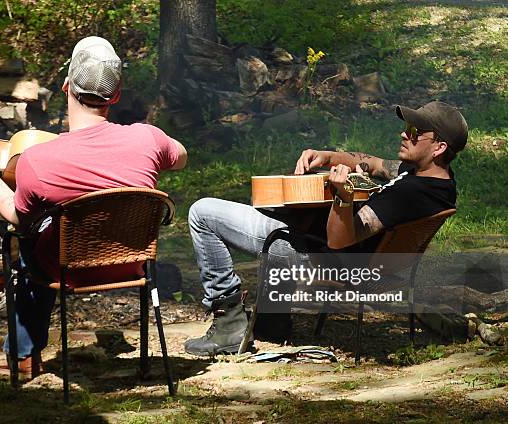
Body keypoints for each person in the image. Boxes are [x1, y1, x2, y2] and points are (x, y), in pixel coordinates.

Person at [0, 36, 187, 374]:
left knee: (27, 241)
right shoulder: (149, 138)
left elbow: (15, 215)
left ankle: (23, 355)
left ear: (67, 86)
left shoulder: (38, 159)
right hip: (134, 263)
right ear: (116, 95)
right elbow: (180, 157)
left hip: (68, 269)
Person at [184, 101, 468, 357]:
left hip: (319, 258)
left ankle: (229, 322)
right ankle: (272, 322)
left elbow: (340, 239)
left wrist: (342, 197)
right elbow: (375, 164)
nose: (405, 134)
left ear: (439, 147)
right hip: (358, 262)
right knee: (285, 211)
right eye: (408, 127)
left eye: (415, 131)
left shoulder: (411, 193)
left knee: (203, 212)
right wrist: (328, 156)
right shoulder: (432, 179)